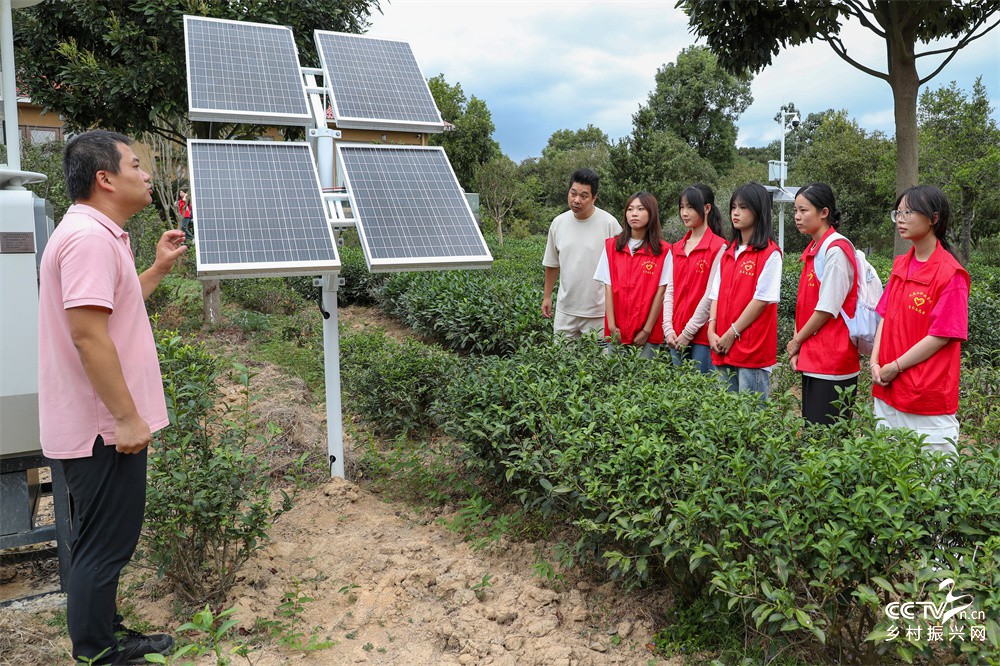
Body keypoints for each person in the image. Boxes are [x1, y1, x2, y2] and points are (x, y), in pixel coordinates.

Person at [38, 130, 187, 664]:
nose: (146, 174)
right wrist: (126, 417)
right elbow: (88, 335)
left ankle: (106, 634)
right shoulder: (89, 239)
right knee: (104, 546)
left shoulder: (100, 235)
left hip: (101, 423)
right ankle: (99, 652)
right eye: (136, 164)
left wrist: (157, 269)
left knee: (104, 542)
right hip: (102, 425)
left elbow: (112, 309)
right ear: (105, 178)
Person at [871, 185, 969, 456]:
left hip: (925, 398)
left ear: (934, 219)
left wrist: (896, 366)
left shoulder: (952, 274)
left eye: (909, 212)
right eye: (898, 213)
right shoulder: (901, 264)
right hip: (887, 388)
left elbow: (941, 335)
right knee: (888, 475)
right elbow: (885, 314)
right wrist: (875, 361)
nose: (900, 219)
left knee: (929, 486)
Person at [786, 183, 860, 425]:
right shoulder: (816, 249)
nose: (797, 217)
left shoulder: (835, 250)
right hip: (815, 357)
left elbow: (827, 308)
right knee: (813, 436)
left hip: (833, 361)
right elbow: (805, 306)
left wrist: (796, 341)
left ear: (824, 212)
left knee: (827, 442)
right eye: (795, 211)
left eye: (803, 210)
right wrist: (799, 346)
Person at [707, 182, 782, 398]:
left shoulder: (770, 253)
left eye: (743, 207)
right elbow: (716, 294)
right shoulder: (729, 252)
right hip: (722, 344)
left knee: (751, 417)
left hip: (751, 348)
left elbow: (761, 300)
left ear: (758, 211)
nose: (736, 213)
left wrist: (732, 333)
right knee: (727, 415)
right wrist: (712, 330)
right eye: (733, 207)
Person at [542, 168, 622, 338]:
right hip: (565, 310)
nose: (576, 200)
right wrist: (547, 296)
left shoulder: (610, 224)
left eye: (584, 196)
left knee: (600, 361)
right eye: (573, 193)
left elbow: (622, 269)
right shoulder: (558, 223)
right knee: (561, 360)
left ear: (594, 198)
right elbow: (552, 263)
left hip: (599, 313)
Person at [593, 192, 669, 359]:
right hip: (616, 330)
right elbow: (608, 287)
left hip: (647, 333)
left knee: (643, 381)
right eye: (630, 209)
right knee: (615, 379)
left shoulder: (664, 251)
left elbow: (661, 293)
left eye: (640, 209)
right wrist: (612, 327)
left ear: (652, 213)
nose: (634, 213)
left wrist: (646, 330)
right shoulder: (612, 246)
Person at [664, 184, 727, 373]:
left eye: (690, 207)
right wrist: (668, 328)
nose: (684, 213)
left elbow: (710, 295)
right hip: (674, 335)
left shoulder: (719, 247)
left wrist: (688, 332)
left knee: (701, 394)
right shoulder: (676, 248)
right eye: (682, 207)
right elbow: (670, 290)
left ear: (707, 208)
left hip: (700, 337)